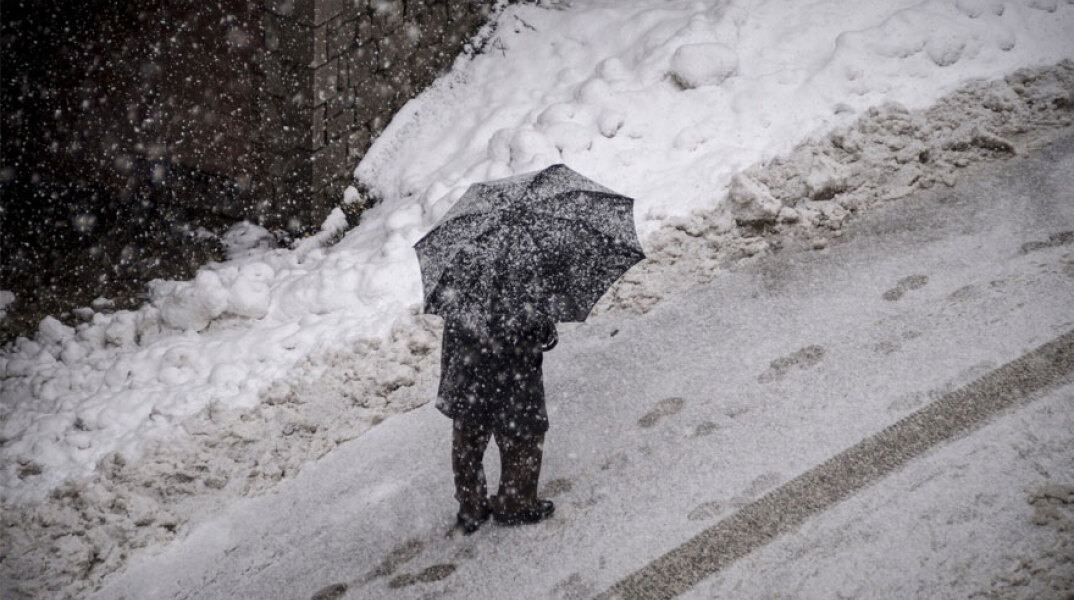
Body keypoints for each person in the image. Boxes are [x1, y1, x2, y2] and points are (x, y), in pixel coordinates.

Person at [436, 306, 559, 535]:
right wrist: (546, 328)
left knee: (468, 437)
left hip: (467, 364)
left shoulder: (463, 280)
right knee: (523, 434)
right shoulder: (523, 281)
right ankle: (516, 503)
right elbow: (536, 327)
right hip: (513, 366)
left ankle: (471, 507)